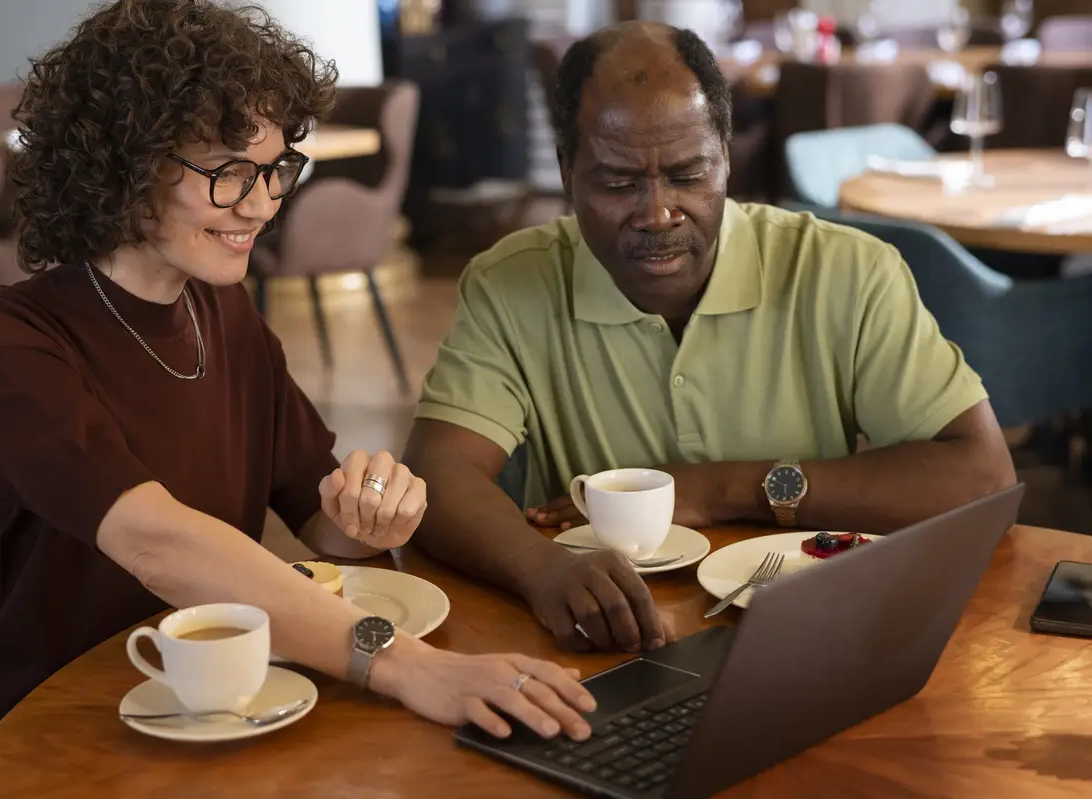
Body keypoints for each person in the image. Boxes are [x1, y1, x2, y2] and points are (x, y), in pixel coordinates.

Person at [0, 3, 594, 796]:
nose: (262, 203)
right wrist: (405, 663)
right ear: (124, 162)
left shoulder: (221, 311)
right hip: (7, 736)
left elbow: (320, 522)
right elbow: (160, 542)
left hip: (192, 711)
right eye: (229, 171)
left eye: (276, 169)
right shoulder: (7, 342)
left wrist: (368, 513)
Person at [403, 22, 1017, 656]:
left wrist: (718, 488)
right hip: (606, 649)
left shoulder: (845, 272)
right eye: (617, 183)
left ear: (725, 156)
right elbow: (438, 471)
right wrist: (541, 569)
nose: (657, 212)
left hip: (813, 633)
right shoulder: (514, 282)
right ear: (567, 171)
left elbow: (981, 477)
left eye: (688, 175)